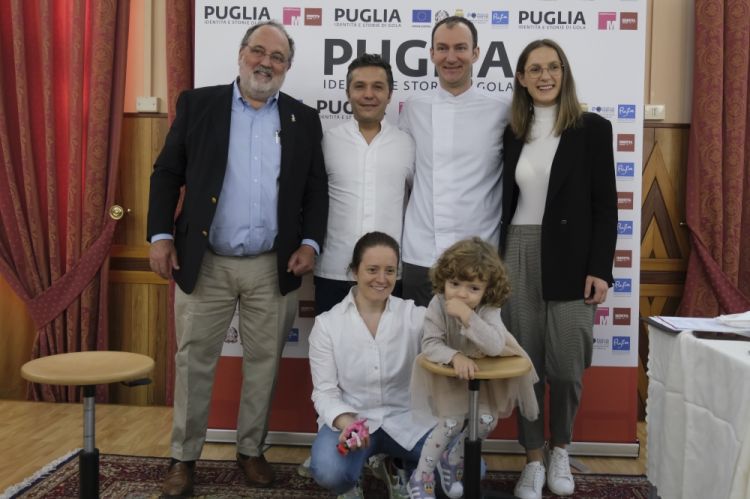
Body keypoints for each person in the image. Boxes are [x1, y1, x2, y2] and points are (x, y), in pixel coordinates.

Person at [146, 21, 327, 496]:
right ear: (241, 53)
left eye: (278, 57)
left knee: (264, 363)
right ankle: (184, 458)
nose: (265, 62)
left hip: (273, 265)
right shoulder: (198, 104)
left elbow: (314, 189)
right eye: (258, 51)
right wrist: (161, 235)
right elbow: (166, 173)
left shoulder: (302, 119)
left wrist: (310, 243)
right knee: (194, 362)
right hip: (204, 261)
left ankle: (251, 449)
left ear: (287, 68)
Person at [500, 39, 618, 499]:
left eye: (553, 67)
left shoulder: (592, 128)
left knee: (568, 365)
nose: (545, 75)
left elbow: (605, 206)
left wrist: (600, 268)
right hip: (518, 252)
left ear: (563, 73)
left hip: (572, 256)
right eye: (535, 68)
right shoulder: (511, 130)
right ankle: (532, 457)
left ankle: (561, 447)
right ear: (523, 78)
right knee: (525, 365)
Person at [408, 237, 539, 499]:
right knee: (451, 423)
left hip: (483, 370)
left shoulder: (489, 308)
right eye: (454, 284)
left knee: (486, 421)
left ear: (487, 289)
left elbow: (493, 345)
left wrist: (468, 316)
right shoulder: (437, 305)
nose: (461, 294)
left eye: (473, 288)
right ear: (443, 280)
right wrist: (455, 356)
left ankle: (451, 458)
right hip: (449, 370)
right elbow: (430, 344)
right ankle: (420, 478)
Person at [308, 232, 434, 499]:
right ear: (354, 271)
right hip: (355, 423)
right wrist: (346, 422)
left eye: (390, 271)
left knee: (466, 472)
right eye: (372, 270)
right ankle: (352, 478)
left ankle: (402, 466)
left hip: (407, 421)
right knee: (329, 471)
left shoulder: (416, 317)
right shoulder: (327, 325)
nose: (382, 279)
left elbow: (450, 339)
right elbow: (325, 392)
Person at [399, 16, 509, 307]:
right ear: (432, 53)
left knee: (479, 345)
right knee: (423, 346)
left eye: (460, 48)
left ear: (475, 53)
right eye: (442, 48)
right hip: (421, 253)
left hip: (481, 254)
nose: (451, 57)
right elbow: (407, 175)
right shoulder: (413, 108)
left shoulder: (502, 110)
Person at [314, 53, 415, 314]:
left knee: (391, 353)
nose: (368, 94)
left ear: (390, 94)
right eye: (359, 86)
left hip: (391, 275)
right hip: (334, 271)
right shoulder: (327, 142)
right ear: (348, 92)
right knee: (334, 351)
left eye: (377, 87)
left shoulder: (408, 144)